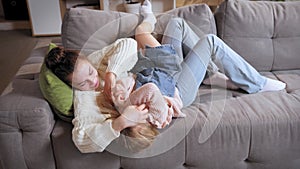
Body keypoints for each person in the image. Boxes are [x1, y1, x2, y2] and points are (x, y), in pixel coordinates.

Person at [45, 0, 286, 153]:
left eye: (89, 72)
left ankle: (209, 72)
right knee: (210, 42)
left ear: (85, 59)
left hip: (158, 70)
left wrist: (110, 73)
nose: (92, 81)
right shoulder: (84, 99)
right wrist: (121, 122)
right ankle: (256, 82)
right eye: (82, 83)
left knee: (177, 25)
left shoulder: (96, 62)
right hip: (172, 90)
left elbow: (127, 45)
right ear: (72, 86)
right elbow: (81, 141)